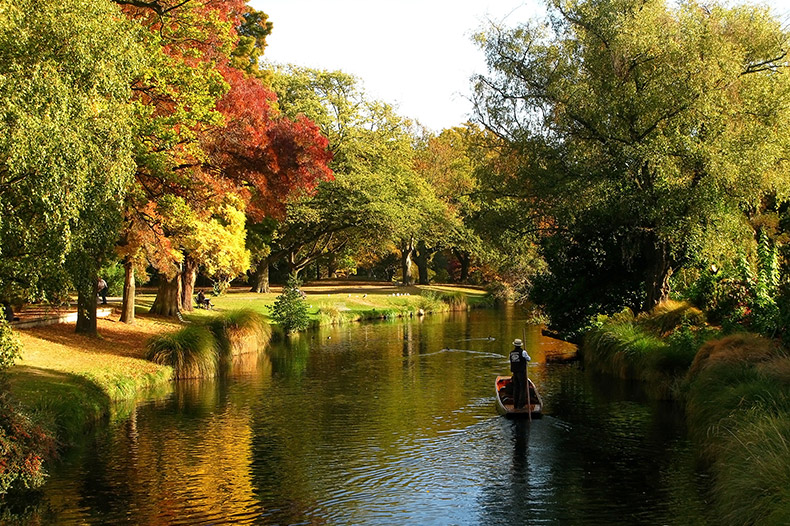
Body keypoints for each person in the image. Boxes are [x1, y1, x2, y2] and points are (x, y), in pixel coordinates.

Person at [509, 338, 531, 409]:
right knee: (522, 388)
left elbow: (511, 360)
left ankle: (515, 404)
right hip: (521, 372)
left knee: (516, 387)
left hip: (514, 372)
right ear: (520, 345)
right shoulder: (523, 352)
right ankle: (521, 405)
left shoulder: (511, 353)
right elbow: (529, 359)